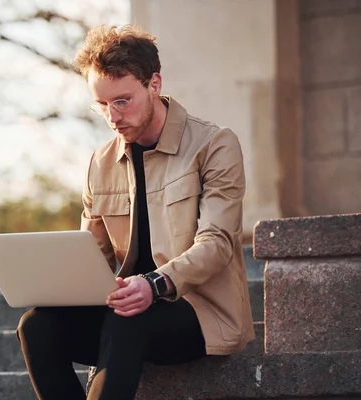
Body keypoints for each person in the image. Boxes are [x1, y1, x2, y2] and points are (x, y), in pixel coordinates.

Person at [16, 24, 255, 400]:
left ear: (154, 84)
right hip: (126, 311)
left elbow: (218, 242)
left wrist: (154, 284)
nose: (112, 116)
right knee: (37, 325)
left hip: (198, 311)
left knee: (128, 320)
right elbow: (92, 256)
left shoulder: (214, 144)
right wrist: (56, 283)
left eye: (122, 101)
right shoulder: (100, 162)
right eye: (102, 105)